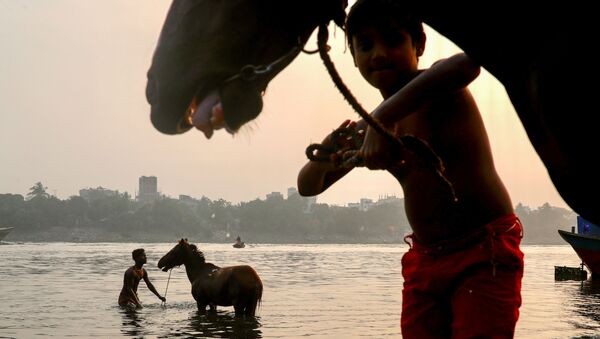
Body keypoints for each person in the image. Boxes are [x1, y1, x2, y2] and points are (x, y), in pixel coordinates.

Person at [297, 0, 524, 337]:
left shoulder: (440, 89)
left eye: (392, 40)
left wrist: (380, 122)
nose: (378, 54)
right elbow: (307, 185)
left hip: (483, 252)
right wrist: (332, 148)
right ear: (355, 57)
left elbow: (467, 64)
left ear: (419, 45)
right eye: (365, 45)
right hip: (425, 261)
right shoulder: (369, 127)